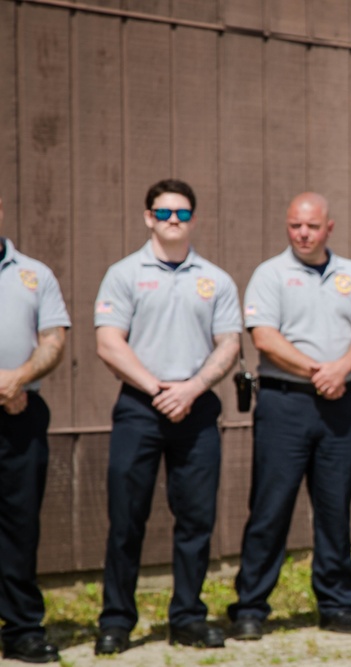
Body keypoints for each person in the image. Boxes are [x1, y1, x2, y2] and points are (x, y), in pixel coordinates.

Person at [93, 179, 242, 655]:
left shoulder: (216, 280)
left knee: (197, 519)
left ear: (193, 219)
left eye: (181, 214)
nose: (172, 221)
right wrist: (156, 388)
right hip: (141, 406)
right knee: (126, 519)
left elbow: (230, 345)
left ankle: (188, 618)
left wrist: (193, 388)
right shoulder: (123, 274)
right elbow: (108, 342)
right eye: (163, 213)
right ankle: (116, 620)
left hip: (196, 409)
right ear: (147, 217)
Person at [227, 193, 351, 640]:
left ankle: (335, 603)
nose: (302, 233)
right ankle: (251, 607)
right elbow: (264, 336)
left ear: (328, 228)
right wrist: (318, 370)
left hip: (340, 404)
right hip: (285, 404)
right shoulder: (270, 274)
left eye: (312, 226)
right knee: (270, 508)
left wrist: (340, 370)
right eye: (295, 225)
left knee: (335, 510)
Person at [0, 196, 70, 664]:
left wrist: (18, 378)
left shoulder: (34, 274)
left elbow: (53, 339)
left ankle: (22, 627)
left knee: (18, 525)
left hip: (18, 412)